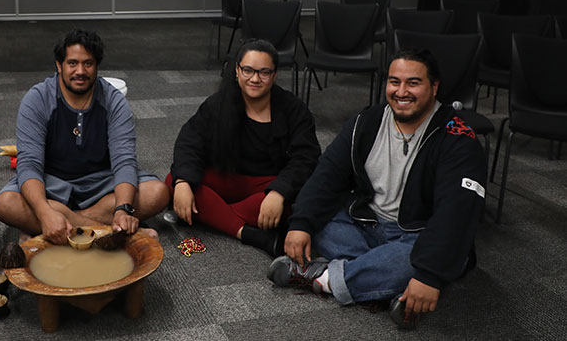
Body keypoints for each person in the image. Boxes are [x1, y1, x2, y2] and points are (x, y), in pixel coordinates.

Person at [267, 48, 487, 330]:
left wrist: (429, 275)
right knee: (314, 223)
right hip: (363, 224)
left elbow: (457, 212)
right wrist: (300, 224)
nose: (401, 91)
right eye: (394, 82)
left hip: (417, 235)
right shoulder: (367, 122)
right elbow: (327, 174)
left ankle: (322, 279)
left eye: (413, 83)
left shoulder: (458, 139)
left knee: (422, 260)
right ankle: (389, 286)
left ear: (434, 87)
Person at [0, 29, 170, 244]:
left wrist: (123, 209)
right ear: (59, 65)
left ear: (97, 66)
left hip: (101, 184)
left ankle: (57, 228)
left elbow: (124, 160)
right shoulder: (37, 98)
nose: (80, 71)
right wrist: (43, 211)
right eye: (72, 63)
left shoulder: (113, 100)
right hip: (52, 185)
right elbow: (29, 164)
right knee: (5, 203)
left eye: (88, 63)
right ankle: (109, 231)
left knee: (158, 192)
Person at [168, 39, 320, 257]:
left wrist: (278, 192)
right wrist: (182, 183)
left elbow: (306, 158)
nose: (255, 79)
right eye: (248, 70)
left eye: (264, 72)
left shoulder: (293, 109)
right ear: (237, 71)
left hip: (266, 187)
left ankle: (212, 215)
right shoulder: (218, 103)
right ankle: (247, 233)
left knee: (294, 202)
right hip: (228, 179)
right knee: (174, 182)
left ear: (274, 75)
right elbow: (189, 142)